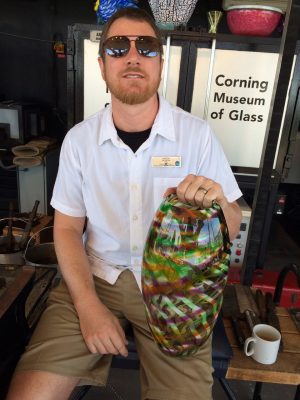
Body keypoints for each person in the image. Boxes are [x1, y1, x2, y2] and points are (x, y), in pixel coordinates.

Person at [7, 7, 242, 400]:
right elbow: (66, 228)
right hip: (95, 277)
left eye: (146, 47)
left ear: (160, 63)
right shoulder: (79, 141)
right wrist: (87, 307)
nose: (133, 56)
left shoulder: (197, 135)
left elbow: (231, 225)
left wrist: (219, 207)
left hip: (177, 287)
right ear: (101, 66)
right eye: (118, 47)